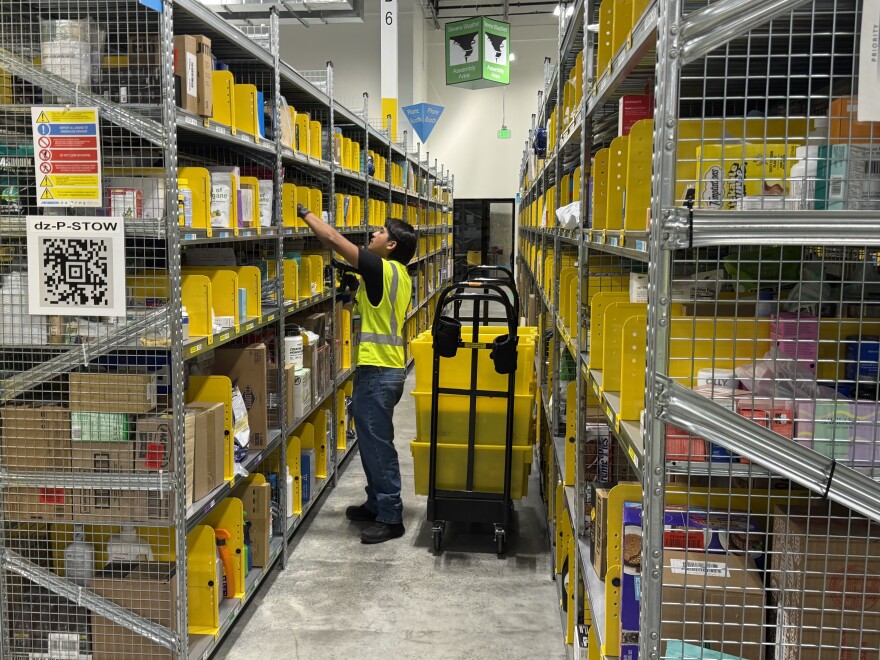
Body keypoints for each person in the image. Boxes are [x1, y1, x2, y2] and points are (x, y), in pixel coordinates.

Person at [296, 203, 416, 543]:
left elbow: (334, 238)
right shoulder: (398, 276)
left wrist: (304, 213)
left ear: (391, 245)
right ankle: (377, 502)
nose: (373, 235)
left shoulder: (382, 269)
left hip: (379, 372)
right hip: (382, 369)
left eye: (380, 232)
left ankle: (392, 516)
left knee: (378, 445)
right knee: (368, 440)